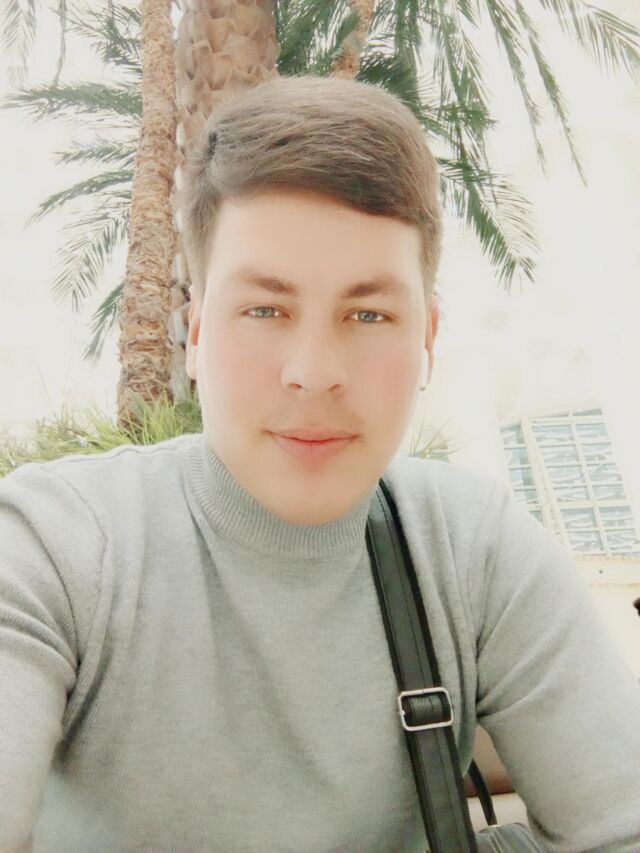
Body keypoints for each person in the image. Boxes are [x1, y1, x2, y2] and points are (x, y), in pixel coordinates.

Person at [1, 74, 639, 853]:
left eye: (367, 313)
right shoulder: (54, 547)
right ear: (196, 334)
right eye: (264, 309)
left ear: (427, 339)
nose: (313, 371)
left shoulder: (475, 552)